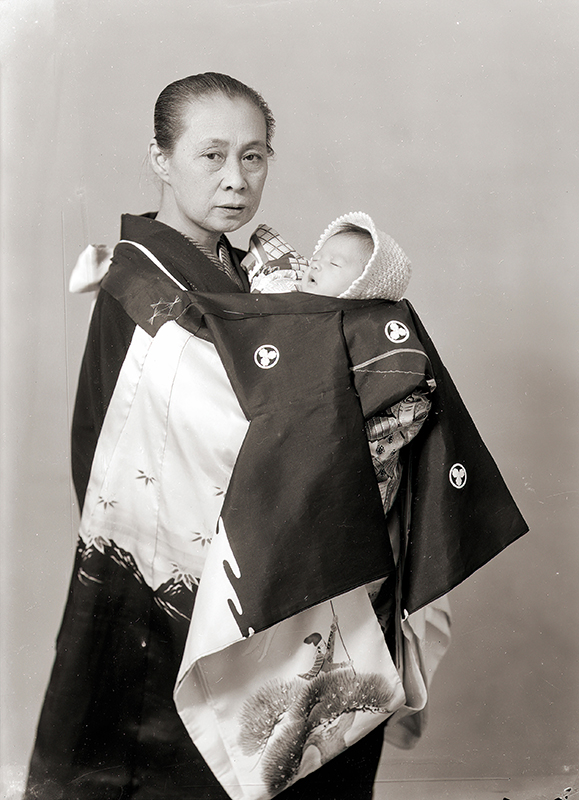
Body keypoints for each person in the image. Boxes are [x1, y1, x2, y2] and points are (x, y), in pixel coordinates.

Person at [24, 74, 397, 800]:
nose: (236, 180)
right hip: (181, 539)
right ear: (160, 159)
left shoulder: (243, 268)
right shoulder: (144, 277)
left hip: (249, 527)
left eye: (254, 157)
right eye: (212, 156)